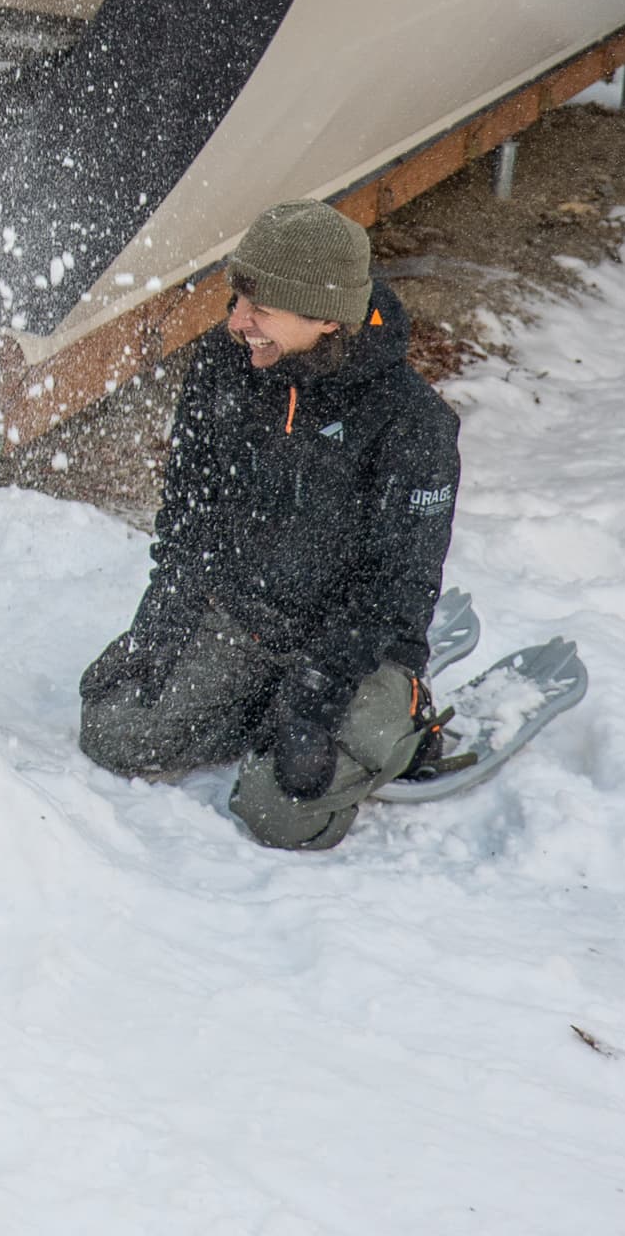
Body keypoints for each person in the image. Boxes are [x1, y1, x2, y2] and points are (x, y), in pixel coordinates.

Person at [76, 201, 460, 852]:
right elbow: (189, 515)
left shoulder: (412, 424)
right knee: (115, 733)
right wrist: (165, 618)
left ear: (325, 316)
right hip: (251, 618)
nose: (237, 323)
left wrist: (315, 697)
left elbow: (397, 588)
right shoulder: (223, 367)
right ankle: (261, 700)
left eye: (261, 310)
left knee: (281, 813)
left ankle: (406, 722)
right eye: (238, 300)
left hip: (359, 647)